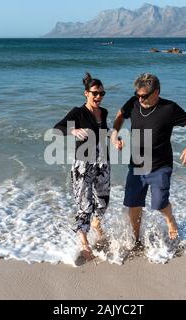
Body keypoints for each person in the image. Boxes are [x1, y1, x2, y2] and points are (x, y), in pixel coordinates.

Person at [110, 73, 186, 244]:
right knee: (133, 203)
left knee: (159, 203)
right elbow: (120, 115)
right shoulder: (133, 103)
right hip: (137, 164)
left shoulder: (169, 108)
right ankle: (136, 238)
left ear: (156, 92)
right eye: (138, 95)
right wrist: (115, 134)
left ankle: (170, 220)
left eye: (144, 96)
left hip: (160, 165)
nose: (140, 99)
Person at [54, 73, 110, 260]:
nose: (98, 97)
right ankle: (84, 242)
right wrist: (73, 130)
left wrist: (114, 138)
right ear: (86, 93)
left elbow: (104, 132)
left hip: (103, 161)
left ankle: (96, 224)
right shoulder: (77, 112)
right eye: (95, 93)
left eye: (101, 93)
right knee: (84, 204)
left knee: (103, 201)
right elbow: (57, 128)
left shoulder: (104, 112)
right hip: (83, 165)